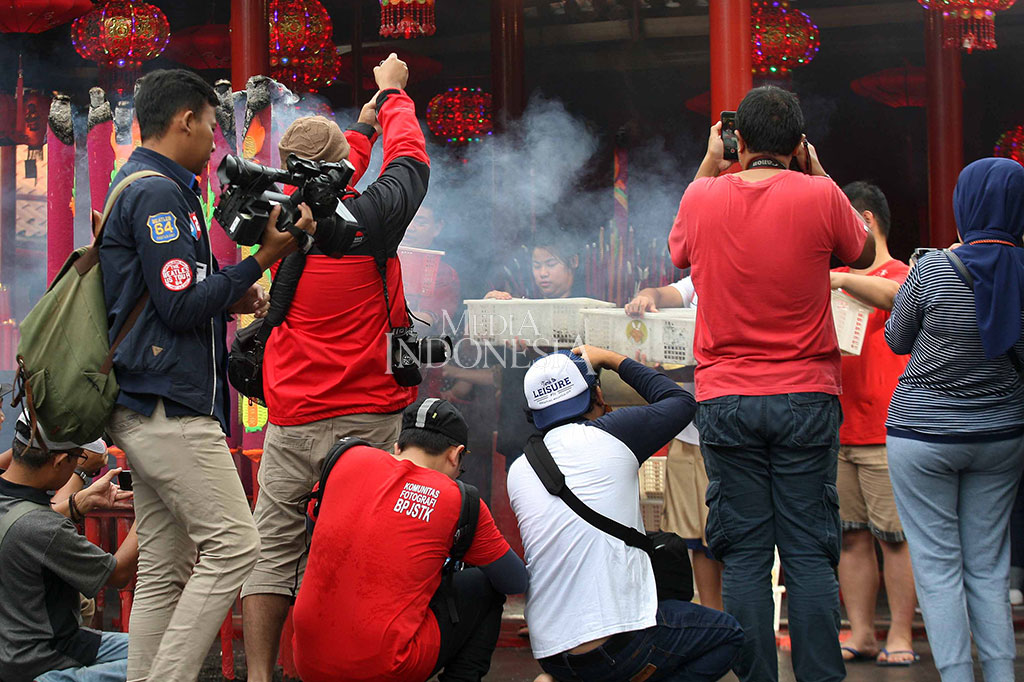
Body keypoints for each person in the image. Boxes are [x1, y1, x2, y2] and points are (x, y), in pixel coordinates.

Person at [99, 69, 311, 682]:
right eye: (213, 125)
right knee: (237, 545)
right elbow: (180, 304)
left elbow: (183, 293)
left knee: (164, 568)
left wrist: (230, 293)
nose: (217, 140)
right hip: (167, 403)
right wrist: (264, 259)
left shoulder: (148, 184)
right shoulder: (157, 193)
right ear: (186, 119)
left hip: (152, 396)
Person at [667, 85, 874, 682]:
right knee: (810, 553)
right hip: (807, 395)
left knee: (747, 557)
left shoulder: (704, 196)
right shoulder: (818, 195)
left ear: (740, 141)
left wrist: (710, 162)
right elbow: (859, 252)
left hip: (727, 397)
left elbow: (678, 250)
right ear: (799, 144)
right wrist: (819, 171)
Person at [242, 53, 434, 681]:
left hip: (294, 413)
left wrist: (361, 126)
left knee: (272, 552)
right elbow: (411, 165)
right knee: (359, 548)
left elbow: (325, 180)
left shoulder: (275, 216)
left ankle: (265, 675)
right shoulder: (371, 222)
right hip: (370, 418)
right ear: (342, 173)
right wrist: (394, 97)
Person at [508, 346, 742, 681]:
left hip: (550, 653)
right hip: (617, 647)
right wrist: (610, 359)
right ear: (598, 395)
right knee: (728, 635)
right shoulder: (614, 433)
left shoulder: (519, 469)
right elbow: (681, 402)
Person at [885, 157, 1024, 682]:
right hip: (1002, 435)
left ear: (964, 205)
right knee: (989, 566)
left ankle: (957, 676)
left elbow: (896, 339)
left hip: (922, 436)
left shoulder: (932, 268)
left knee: (939, 567)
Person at [291, 398, 527, 682]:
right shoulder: (458, 498)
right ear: (456, 455)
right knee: (484, 588)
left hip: (309, 660)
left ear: (398, 446)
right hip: (384, 667)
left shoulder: (345, 459)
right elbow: (514, 581)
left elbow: (314, 527)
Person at [828, 182, 917, 666]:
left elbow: (894, 296)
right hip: (838, 429)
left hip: (887, 429)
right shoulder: (834, 274)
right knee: (851, 535)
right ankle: (860, 631)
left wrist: (839, 282)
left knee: (896, 537)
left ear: (866, 221)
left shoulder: (907, 273)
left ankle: (900, 633)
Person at [0, 416, 138, 682]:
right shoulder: (43, 527)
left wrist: (79, 500)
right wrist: (151, 504)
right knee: (166, 661)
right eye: (76, 460)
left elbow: (33, 523)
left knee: (157, 650)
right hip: (40, 658)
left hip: (14, 647)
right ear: (61, 461)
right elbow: (119, 574)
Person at [626, 278, 723, 611]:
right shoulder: (698, 278)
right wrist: (644, 297)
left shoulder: (749, 272)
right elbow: (660, 293)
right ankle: (713, 615)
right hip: (689, 433)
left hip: (731, 431)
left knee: (730, 537)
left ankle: (741, 622)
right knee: (695, 537)